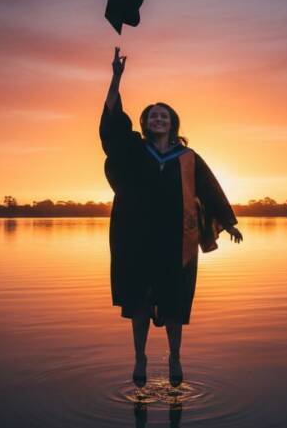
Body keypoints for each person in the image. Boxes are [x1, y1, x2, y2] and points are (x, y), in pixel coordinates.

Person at [100, 47, 243, 388]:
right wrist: (116, 79)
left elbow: (209, 187)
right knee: (140, 301)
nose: (158, 119)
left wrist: (230, 221)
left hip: (177, 242)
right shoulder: (134, 150)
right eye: (153, 115)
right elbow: (112, 128)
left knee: (174, 303)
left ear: (173, 122)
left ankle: (176, 357)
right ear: (145, 123)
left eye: (164, 115)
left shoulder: (188, 157)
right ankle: (140, 357)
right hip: (137, 239)